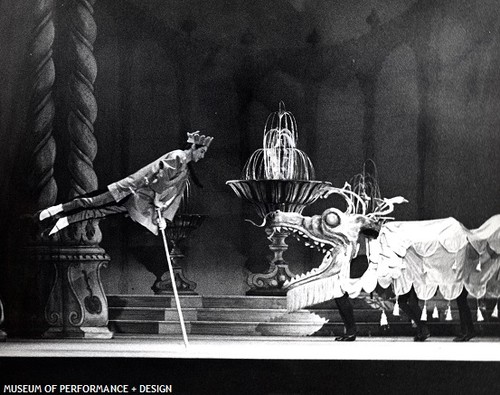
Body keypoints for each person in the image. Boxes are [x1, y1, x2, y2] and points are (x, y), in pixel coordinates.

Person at [38, 131, 213, 235]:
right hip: (132, 188)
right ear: (193, 148)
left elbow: (174, 195)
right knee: (93, 201)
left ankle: (65, 221)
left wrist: (165, 217)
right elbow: (161, 180)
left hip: (141, 198)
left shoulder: (185, 171)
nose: (202, 156)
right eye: (202, 151)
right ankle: (56, 210)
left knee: (101, 212)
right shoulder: (178, 156)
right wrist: (159, 203)